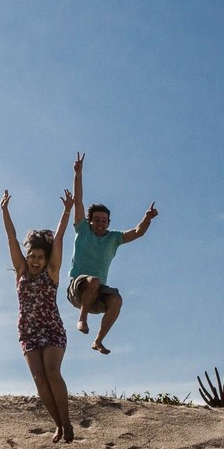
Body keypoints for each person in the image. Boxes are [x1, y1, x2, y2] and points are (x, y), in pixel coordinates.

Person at [1, 188, 75, 443]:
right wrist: (4, 211)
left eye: (40, 257)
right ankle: (58, 425)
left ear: (46, 260)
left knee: (52, 372)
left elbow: (60, 237)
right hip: (28, 331)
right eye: (32, 256)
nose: (34, 261)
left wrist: (67, 211)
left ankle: (67, 422)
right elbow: (11, 238)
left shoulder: (51, 272)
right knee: (39, 378)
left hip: (52, 329)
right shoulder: (21, 271)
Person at [67, 152, 158, 355]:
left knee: (116, 300)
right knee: (93, 280)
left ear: (109, 222)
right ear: (90, 221)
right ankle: (82, 319)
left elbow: (138, 232)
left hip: (97, 292)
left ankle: (98, 341)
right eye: (96, 219)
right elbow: (78, 201)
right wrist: (78, 174)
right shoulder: (82, 230)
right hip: (77, 289)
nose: (100, 223)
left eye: (104, 220)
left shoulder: (114, 238)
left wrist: (147, 218)